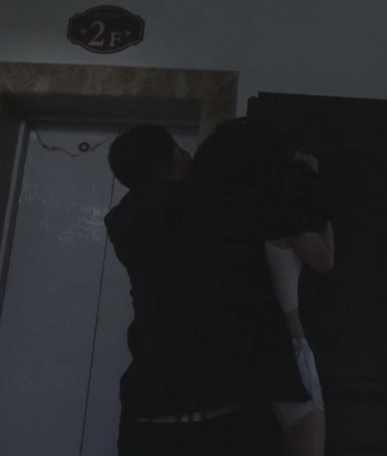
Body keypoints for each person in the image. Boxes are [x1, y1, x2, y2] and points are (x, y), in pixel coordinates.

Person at [104, 123, 310, 456]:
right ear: (178, 154)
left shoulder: (125, 226)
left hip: (149, 409)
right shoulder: (217, 204)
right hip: (227, 407)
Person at [265, 148, 333, 456]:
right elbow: (326, 260)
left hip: (264, 347)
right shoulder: (290, 228)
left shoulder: (257, 226)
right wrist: (321, 203)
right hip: (291, 348)